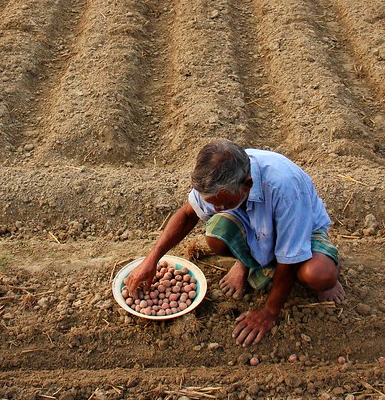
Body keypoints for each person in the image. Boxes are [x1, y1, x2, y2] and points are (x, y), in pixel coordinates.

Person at [125, 139, 344, 346]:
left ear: (247, 185)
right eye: (213, 205)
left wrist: (268, 312)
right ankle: (246, 262)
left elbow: (289, 256)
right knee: (216, 236)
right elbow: (188, 215)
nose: (216, 210)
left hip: (302, 228)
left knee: (318, 275)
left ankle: (325, 262)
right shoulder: (216, 181)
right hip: (254, 220)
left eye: (223, 204)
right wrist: (151, 260)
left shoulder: (283, 188)